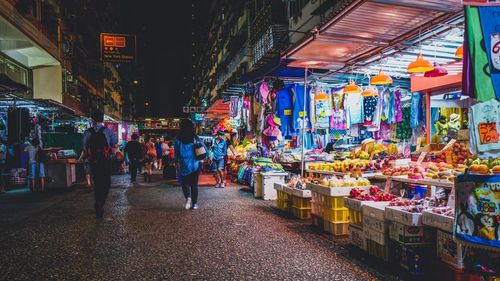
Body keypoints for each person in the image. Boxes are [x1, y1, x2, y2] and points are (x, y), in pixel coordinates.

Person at [83, 117, 117, 219]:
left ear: (93, 121)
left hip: (94, 162)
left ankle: (98, 201)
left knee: (97, 182)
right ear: (102, 120)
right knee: (106, 183)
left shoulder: (88, 132)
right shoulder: (108, 131)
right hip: (105, 161)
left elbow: (84, 147)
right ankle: (101, 202)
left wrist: (89, 158)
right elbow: (114, 144)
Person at [174, 119, 206, 210]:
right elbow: (204, 149)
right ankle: (194, 204)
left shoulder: (178, 139)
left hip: (184, 165)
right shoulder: (195, 137)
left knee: (184, 183)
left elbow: (176, 153)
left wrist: (176, 162)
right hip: (195, 165)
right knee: (194, 185)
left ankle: (188, 197)